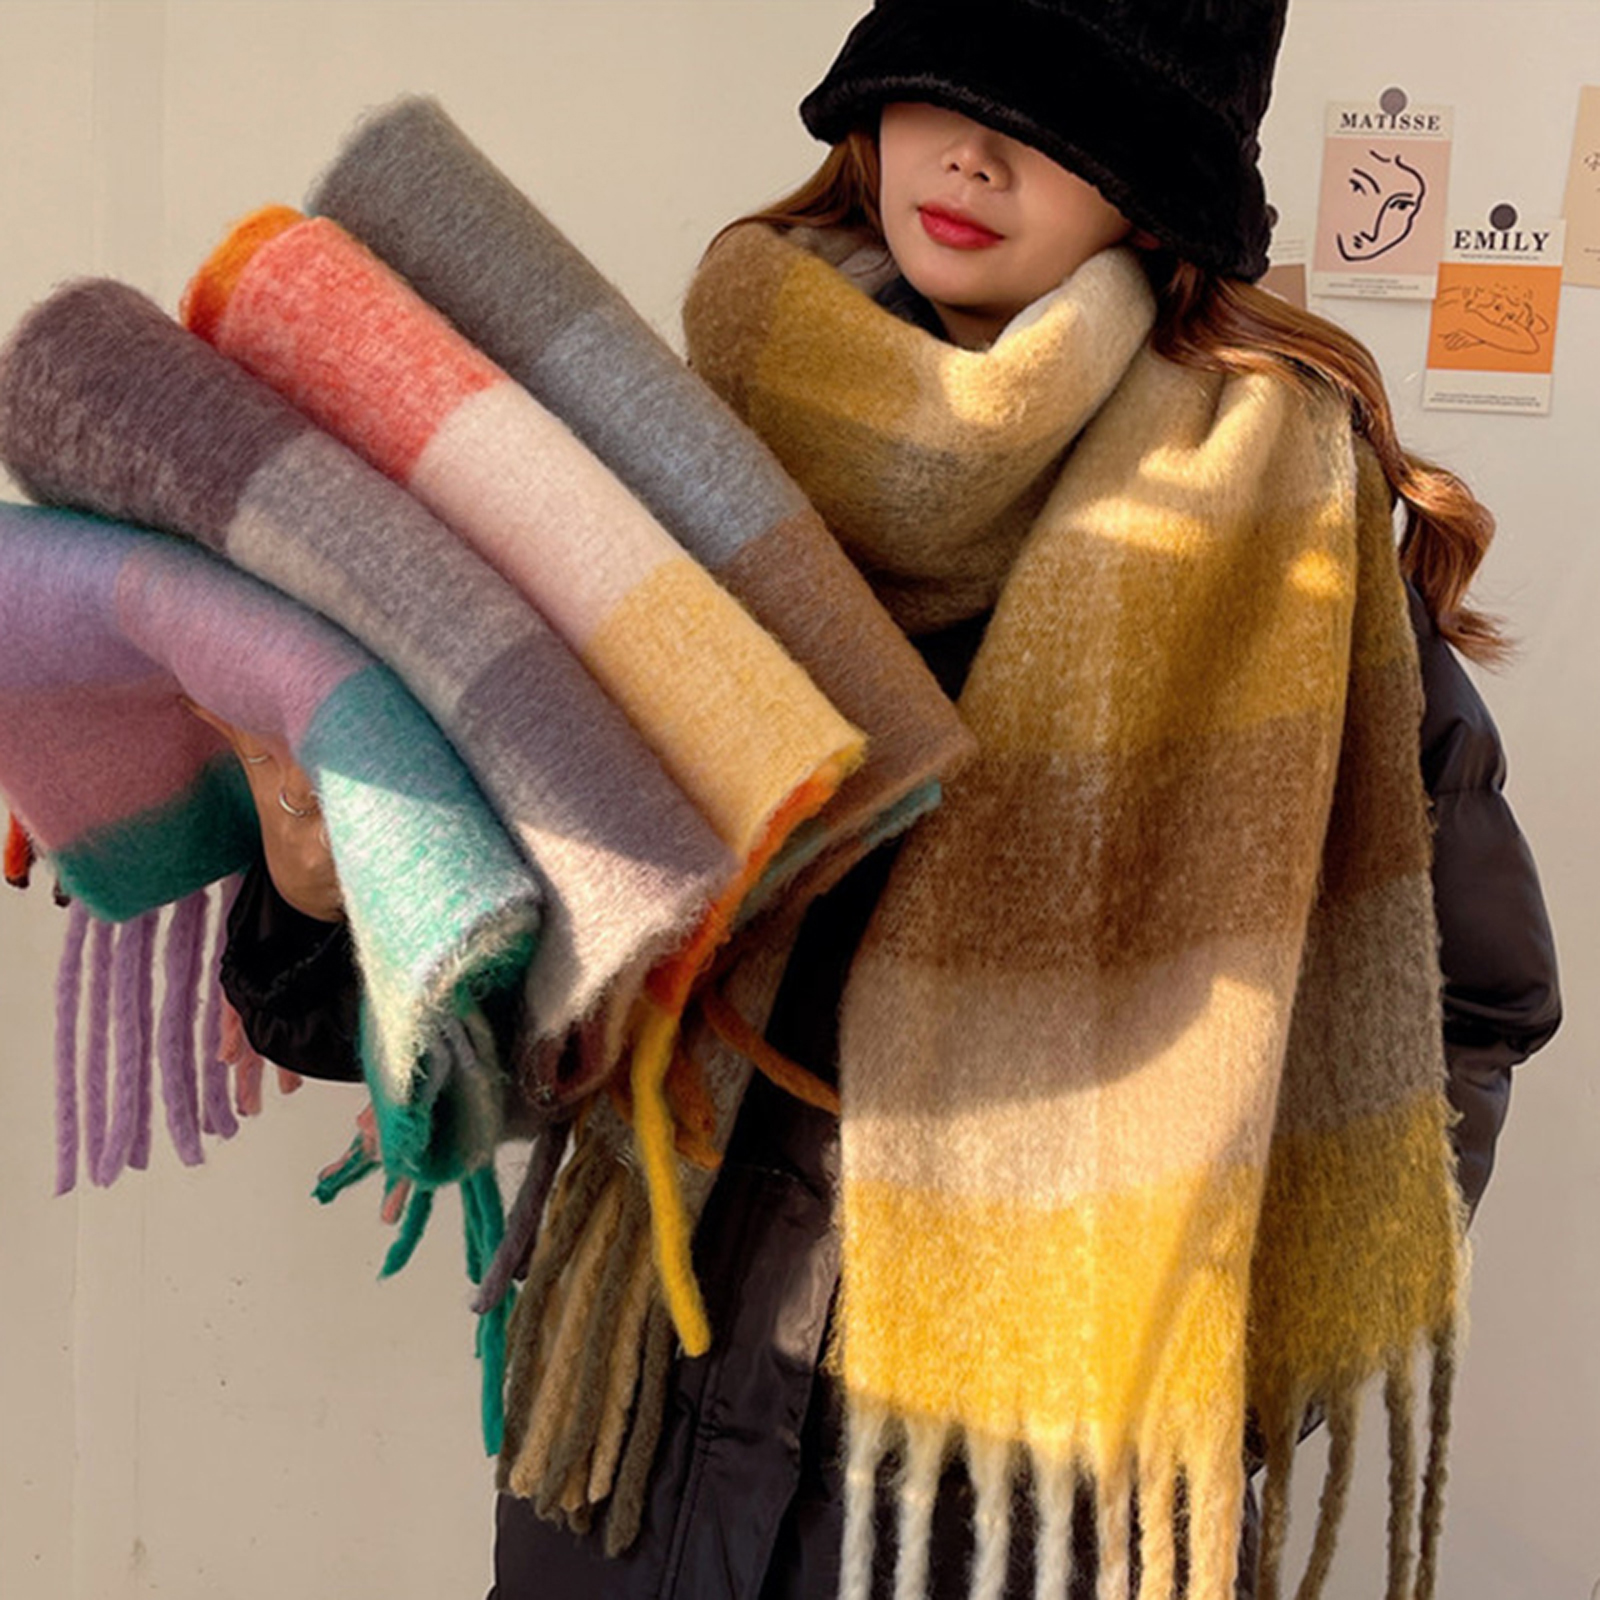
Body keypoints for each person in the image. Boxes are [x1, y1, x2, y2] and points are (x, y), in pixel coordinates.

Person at [219, 3, 1561, 1595]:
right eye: (937, 87)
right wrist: (321, 881)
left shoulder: (1280, 543)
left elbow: (1461, 1007)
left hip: (1024, 1508)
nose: (973, 153)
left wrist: (1214, 1356)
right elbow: (514, 943)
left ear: (1158, 192)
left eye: (1053, 122)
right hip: (637, 1460)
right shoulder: (680, 464)